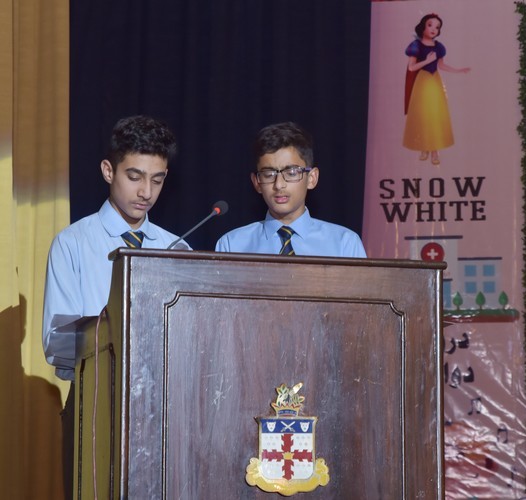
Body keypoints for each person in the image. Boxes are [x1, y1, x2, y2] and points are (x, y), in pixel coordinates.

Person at [42, 115, 190, 499]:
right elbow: (56, 343)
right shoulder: (73, 243)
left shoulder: (177, 247)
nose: (146, 192)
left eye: (157, 180)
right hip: (94, 401)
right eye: (134, 176)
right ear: (109, 171)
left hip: (163, 407)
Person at [215, 121, 366, 257]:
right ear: (256, 182)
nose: (279, 185)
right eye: (268, 174)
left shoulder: (344, 244)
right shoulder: (232, 245)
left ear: (312, 178)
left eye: (291, 173)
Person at [403, 13, 470, 166]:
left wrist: (458, 70)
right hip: (422, 83)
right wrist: (427, 61)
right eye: (430, 25)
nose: (434, 29)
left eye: (437, 27)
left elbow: (441, 65)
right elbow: (411, 67)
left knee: (435, 115)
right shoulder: (416, 45)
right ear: (423, 27)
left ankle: (434, 151)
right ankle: (423, 147)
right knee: (422, 115)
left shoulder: (439, 47)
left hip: (435, 83)